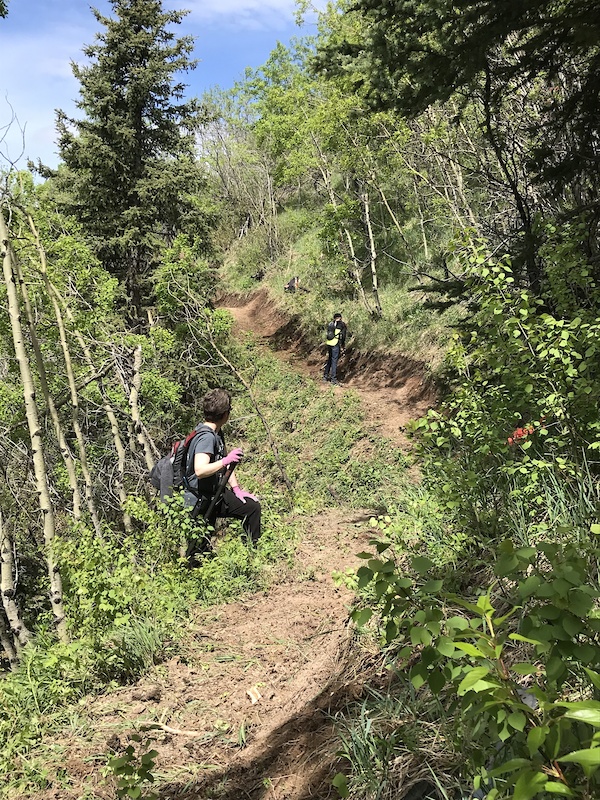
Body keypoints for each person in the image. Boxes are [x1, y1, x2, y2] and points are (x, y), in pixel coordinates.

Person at [184, 388, 261, 556]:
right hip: (200, 499)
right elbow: (200, 470)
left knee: (252, 508)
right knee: (198, 549)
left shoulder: (217, 433)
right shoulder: (207, 437)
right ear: (225, 413)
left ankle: (253, 555)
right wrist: (225, 461)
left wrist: (236, 489)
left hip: (215, 493)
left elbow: (226, 463)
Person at [323, 312, 347, 386]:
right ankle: (333, 379)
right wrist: (343, 345)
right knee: (334, 361)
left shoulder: (330, 324)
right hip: (335, 344)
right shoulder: (342, 324)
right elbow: (343, 336)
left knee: (329, 359)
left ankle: (325, 376)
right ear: (340, 317)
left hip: (329, 343)